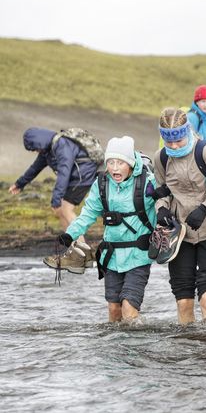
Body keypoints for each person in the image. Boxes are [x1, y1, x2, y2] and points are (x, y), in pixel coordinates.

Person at [55, 136, 155, 321]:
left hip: (139, 256)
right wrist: (70, 234)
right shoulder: (101, 184)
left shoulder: (148, 182)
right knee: (114, 309)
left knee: (129, 308)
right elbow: (88, 213)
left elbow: (165, 204)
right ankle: (114, 349)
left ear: (130, 163)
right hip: (111, 257)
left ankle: (135, 348)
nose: (115, 168)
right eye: (111, 162)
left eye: (120, 163)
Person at [154, 108, 206, 325]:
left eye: (179, 140)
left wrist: (205, 208)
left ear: (187, 132)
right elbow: (161, 191)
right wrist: (161, 209)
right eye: (168, 141)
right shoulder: (161, 158)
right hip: (180, 235)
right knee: (184, 302)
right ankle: (188, 350)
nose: (173, 146)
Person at [9, 128, 99, 272]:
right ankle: (73, 249)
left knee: (66, 208)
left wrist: (56, 199)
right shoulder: (47, 150)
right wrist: (20, 183)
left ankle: (83, 253)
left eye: (34, 148)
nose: (34, 151)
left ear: (39, 142)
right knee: (61, 211)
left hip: (83, 175)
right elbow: (35, 168)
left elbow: (64, 171)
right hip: (76, 176)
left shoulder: (61, 145)